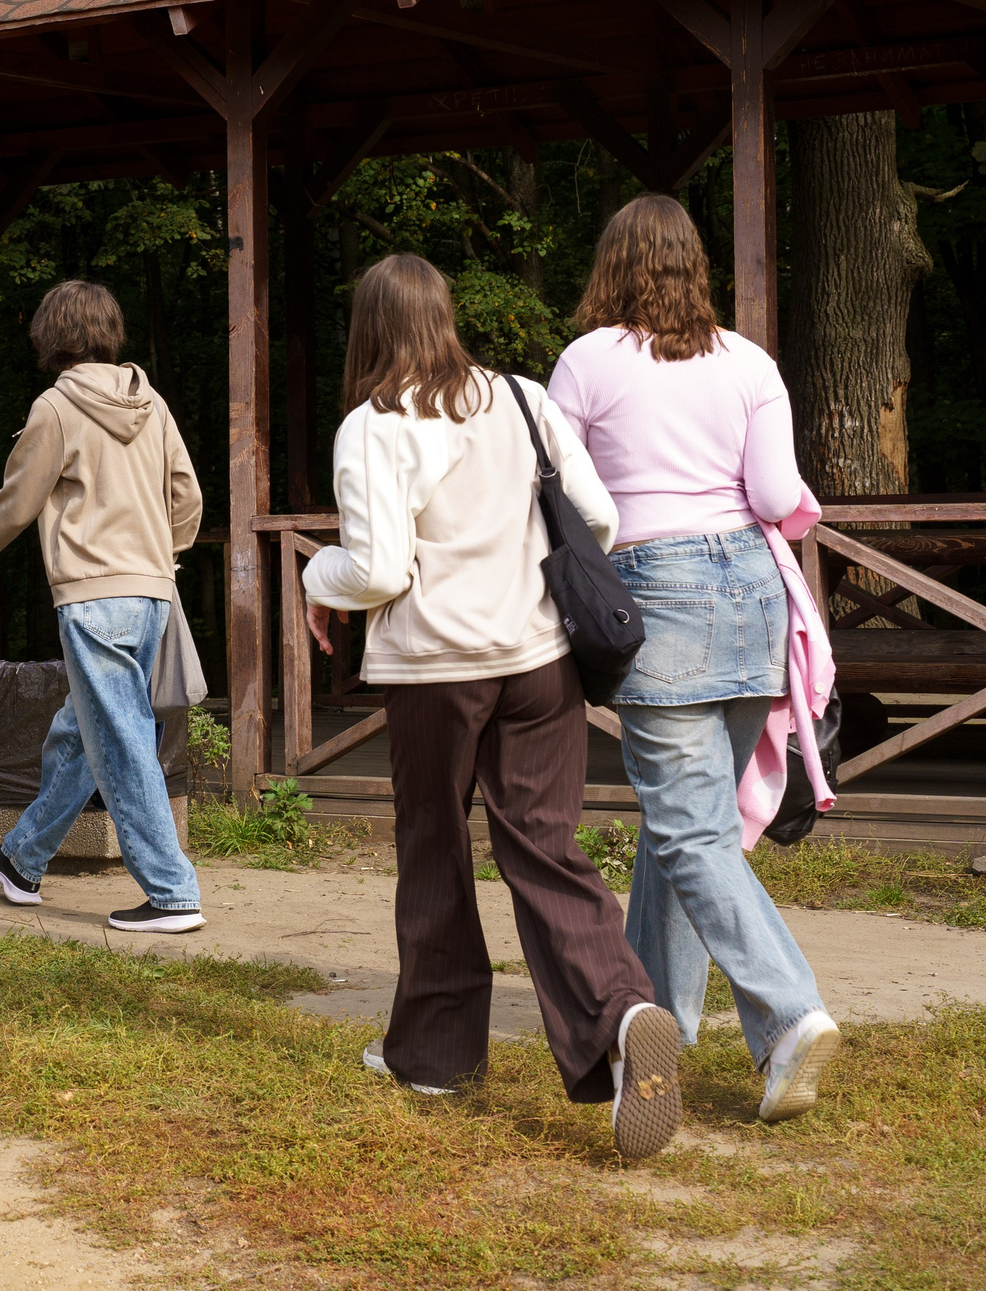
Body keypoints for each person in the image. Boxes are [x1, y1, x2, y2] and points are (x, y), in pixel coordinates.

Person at [302, 254, 680, 1161]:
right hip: (541, 662)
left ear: (369, 329)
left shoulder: (373, 424)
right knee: (546, 848)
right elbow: (597, 517)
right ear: (445, 313)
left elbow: (380, 568)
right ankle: (624, 1013)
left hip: (436, 671)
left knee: (434, 848)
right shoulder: (519, 395)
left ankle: (433, 1058)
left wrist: (316, 576)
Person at [550, 195, 843, 1124]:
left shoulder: (588, 361)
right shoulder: (750, 362)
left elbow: (556, 489)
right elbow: (771, 490)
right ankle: (657, 1023)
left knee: (689, 831)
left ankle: (789, 1012)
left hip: (656, 591)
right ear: (695, 266)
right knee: (683, 824)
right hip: (751, 593)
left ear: (614, 265)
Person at [0, 280, 206, 935]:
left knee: (121, 741)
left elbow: (15, 502)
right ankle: (20, 856)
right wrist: (160, 556)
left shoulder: (56, 407)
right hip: (152, 594)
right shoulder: (148, 400)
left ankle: (173, 891)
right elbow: (188, 495)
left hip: (95, 598)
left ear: (51, 335)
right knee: (83, 730)